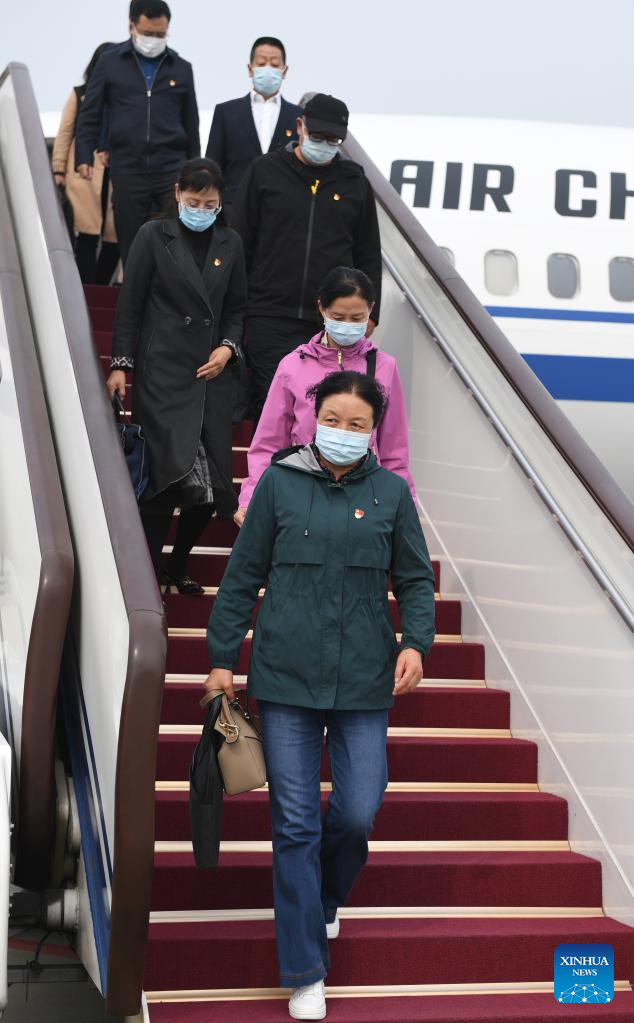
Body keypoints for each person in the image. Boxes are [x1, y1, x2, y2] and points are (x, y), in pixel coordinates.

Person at [206, 370, 436, 1020]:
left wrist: (416, 642)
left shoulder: (392, 494)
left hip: (365, 679)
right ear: (313, 419)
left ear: (373, 431)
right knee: (296, 823)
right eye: (333, 419)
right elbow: (242, 573)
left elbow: (416, 580)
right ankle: (305, 968)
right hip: (285, 678)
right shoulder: (279, 484)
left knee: (358, 811)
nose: (343, 431)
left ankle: (325, 899)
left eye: (357, 423)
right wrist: (222, 657)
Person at [106, 158, 246, 593]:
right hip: (162, 372)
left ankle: (177, 561)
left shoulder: (231, 242)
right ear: (177, 193)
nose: (203, 210)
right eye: (195, 201)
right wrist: (120, 365)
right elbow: (130, 304)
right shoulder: (153, 235)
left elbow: (238, 308)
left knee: (216, 485)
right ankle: (145, 577)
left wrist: (228, 348)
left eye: (212, 204)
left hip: (211, 375)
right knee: (164, 479)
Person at [231, 92, 382, 420]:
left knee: (321, 411)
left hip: (329, 322)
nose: (324, 144)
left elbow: (368, 251)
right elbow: (240, 241)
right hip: (268, 314)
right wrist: (236, 307)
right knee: (272, 407)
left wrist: (372, 313)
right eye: (317, 137)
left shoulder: (355, 182)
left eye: (333, 139)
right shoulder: (265, 171)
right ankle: (270, 472)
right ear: (299, 126)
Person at [235, 266, 416, 528]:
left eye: (357, 318)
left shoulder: (385, 367)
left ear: (371, 310)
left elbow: (394, 450)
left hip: (361, 497)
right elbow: (269, 443)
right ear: (321, 309)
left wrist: (405, 508)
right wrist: (251, 497)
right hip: (298, 491)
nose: (348, 326)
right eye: (338, 317)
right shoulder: (292, 365)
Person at [75, 0, 200, 265]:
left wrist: (194, 169)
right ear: (132, 26)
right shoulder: (110, 63)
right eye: (148, 33)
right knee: (132, 244)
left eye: (160, 34)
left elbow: (191, 122)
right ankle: (134, 301)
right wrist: (84, 155)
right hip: (127, 167)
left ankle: (167, 304)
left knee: (173, 244)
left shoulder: (182, 68)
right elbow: (90, 112)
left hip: (171, 167)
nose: (154, 40)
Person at [205, 37, 303, 215]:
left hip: (284, 210)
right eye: (261, 63)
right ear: (250, 69)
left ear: (284, 70)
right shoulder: (226, 112)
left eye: (274, 64)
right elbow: (213, 165)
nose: (268, 68)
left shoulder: (298, 116)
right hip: (233, 209)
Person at [52, 43, 120, 284]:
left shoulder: (123, 98)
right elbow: (65, 133)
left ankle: (100, 285)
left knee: (114, 238)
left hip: (115, 176)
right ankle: (85, 288)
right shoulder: (79, 93)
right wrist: (59, 169)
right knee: (88, 234)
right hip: (83, 175)